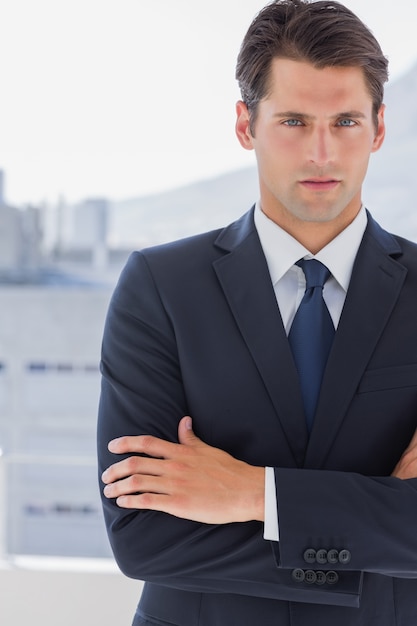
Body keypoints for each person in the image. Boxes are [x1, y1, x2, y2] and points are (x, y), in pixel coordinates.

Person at [97, 1, 417, 624]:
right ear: (246, 124)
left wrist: (252, 494)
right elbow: (143, 537)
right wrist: (380, 521)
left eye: (346, 121)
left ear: (379, 128)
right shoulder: (160, 287)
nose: (321, 152)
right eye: (294, 120)